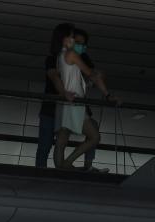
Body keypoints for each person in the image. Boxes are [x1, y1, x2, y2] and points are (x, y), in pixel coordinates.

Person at [54, 28, 116, 171]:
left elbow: (64, 77)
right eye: (74, 40)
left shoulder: (60, 56)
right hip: (75, 102)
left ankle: (59, 170)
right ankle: (66, 164)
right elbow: (91, 74)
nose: (77, 44)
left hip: (65, 101)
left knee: (62, 139)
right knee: (94, 137)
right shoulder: (72, 54)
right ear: (65, 39)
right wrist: (106, 92)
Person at [71, 29, 121, 173]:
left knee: (90, 130)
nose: (81, 46)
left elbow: (94, 75)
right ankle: (70, 164)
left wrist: (101, 89)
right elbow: (94, 75)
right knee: (92, 134)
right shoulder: (66, 57)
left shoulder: (81, 57)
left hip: (77, 103)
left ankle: (75, 164)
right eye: (78, 43)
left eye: (83, 44)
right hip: (69, 102)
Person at [36, 22, 74, 168]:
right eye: (70, 36)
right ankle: (44, 173)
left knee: (54, 144)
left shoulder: (70, 59)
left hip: (56, 106)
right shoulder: (53, 59)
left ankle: (44, 173)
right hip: (53, 106)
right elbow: (54, 77)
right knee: (48, 145)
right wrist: (64, 93)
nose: (73, 40)